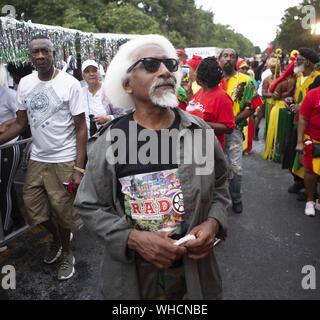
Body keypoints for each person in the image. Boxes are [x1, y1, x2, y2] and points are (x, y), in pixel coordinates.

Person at [74, 34, 230, 300]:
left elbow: (219, 186)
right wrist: (131, 238)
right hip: (134, 280)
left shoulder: (198, 131)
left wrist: (214, 223)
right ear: (127, 85)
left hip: (193, 278)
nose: (165, 71)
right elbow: (89, 205)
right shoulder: (110, 142)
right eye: (150, 64)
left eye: (170, 64)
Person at [0, 35, 87, 281]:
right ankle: (60, 238)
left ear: (53, 53)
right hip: (37, 157)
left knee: (62, 211)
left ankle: (67, 253)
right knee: (33, 208)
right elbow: (19, 124)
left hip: (64, 158)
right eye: (35, 52)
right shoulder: (25, 84)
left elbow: (81, 128)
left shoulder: (70, 84)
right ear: (29, 57)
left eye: (44, 51)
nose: (40, 56)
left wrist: (78, 169)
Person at [219, 48, 263, 213]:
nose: (228, 59)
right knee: (216, 168)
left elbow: (254, 106)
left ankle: (236, 197)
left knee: (235, 168)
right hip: (214, 133)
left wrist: (231, 121)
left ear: (236, 60)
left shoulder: (246, 80)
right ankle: (218, 200)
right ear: (220, 59)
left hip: (234, 131)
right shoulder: (213, 79)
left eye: (232, 56)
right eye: (225, 56)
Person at [283, 48, 320, 198]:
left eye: (299, 60)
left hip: (310, 124)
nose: (295, 62)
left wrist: (302, 106)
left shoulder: (317, 78)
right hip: (296, 121)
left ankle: (310, 189)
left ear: (308, 63)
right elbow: (293, 94)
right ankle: (298, 181)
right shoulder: (298, 77)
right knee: (293, 152)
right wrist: (289, 100)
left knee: (309, 157)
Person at [186, 56, 235, 151]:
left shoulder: (222, 97)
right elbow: (194, 107)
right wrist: (188, 93)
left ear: (201, 80)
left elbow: (229, 128)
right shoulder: (201, 90)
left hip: (210, 150)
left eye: (196, 72)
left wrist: (202, 124)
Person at [0, 63, 25, 237]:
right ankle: (17, 219)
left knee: (4, 188)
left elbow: (23, 117)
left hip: (11, 146)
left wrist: (5, 124)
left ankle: (4, 231)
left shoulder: (8, 94)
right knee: (5, 185)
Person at [81, 59, 125, 138]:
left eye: (94, 71)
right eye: (87, 71)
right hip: (88, 140)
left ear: (98, 73)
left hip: (107, 138)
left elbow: (122, 115)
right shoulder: (81, 93)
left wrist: (107, 118)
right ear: (83, 75)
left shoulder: (108, 91)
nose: (91, 74)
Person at [296, 87, 320, 216]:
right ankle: (310, 200)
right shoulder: (313, 94)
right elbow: (303, 118)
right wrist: (300, 142)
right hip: (314, 140)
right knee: (311, 171)